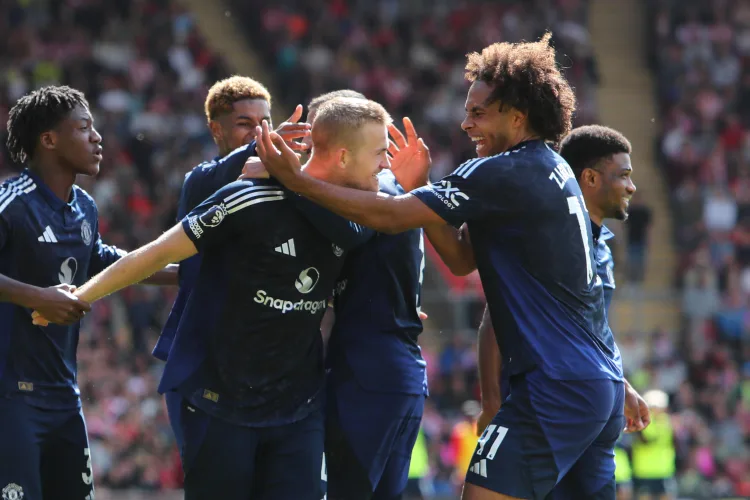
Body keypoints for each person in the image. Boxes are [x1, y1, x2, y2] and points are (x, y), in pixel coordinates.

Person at [254, 34, 626, 500]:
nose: (466, 123)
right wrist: (425, 187)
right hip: (596, 383)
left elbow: (388, 215)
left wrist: (298, 182)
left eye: (478, 113)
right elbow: (461, 256)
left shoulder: (504, 170)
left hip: (555, 386)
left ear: (517, 116)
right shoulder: (551, 167)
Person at [35, 97, 393, 499]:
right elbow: (153, 255)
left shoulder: (359, 214)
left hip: (297, 408)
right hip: (219, 399)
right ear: (344, 156)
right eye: (380, 153)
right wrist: (79, 296)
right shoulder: (246, 198)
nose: (385, 165)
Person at [0, 85, 175, 500]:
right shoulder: (11, 203)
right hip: (10, 398)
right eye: (84, 127)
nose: (97, 137)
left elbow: (107, 260)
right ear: (48, 139)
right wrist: (39, 297)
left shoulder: (84, 208)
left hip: (64, 398)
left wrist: (189, 273)